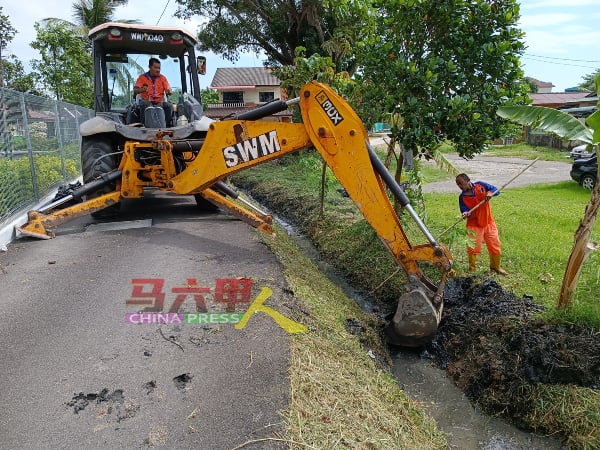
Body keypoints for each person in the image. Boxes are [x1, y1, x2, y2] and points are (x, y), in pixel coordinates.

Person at [455, 173, 507, 275]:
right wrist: (465, 213)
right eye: (458, 185)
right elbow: (464, 211)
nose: (460, 186)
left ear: (468, 180)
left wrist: (491, 193)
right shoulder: (462, 197)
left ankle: (495, 267)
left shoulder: (481, 185)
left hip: (489, 222)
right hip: (474, 225)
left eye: (461, 183)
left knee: (495, 245)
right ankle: (472, 269)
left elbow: (496, 190)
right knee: (473, 248)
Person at [133, 57, 173, 126]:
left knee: (169, 106)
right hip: (147, 102)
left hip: (160, 103)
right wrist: (143, 89)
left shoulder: (163, 78)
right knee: (143, 103)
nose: (158, 70)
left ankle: (166, 126)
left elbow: (169, 90)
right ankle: (143, 125)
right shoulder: (142, 77)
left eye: (159, 68)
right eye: (155, 68)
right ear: (149, 67)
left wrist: (168, 91)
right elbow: (135, 90)